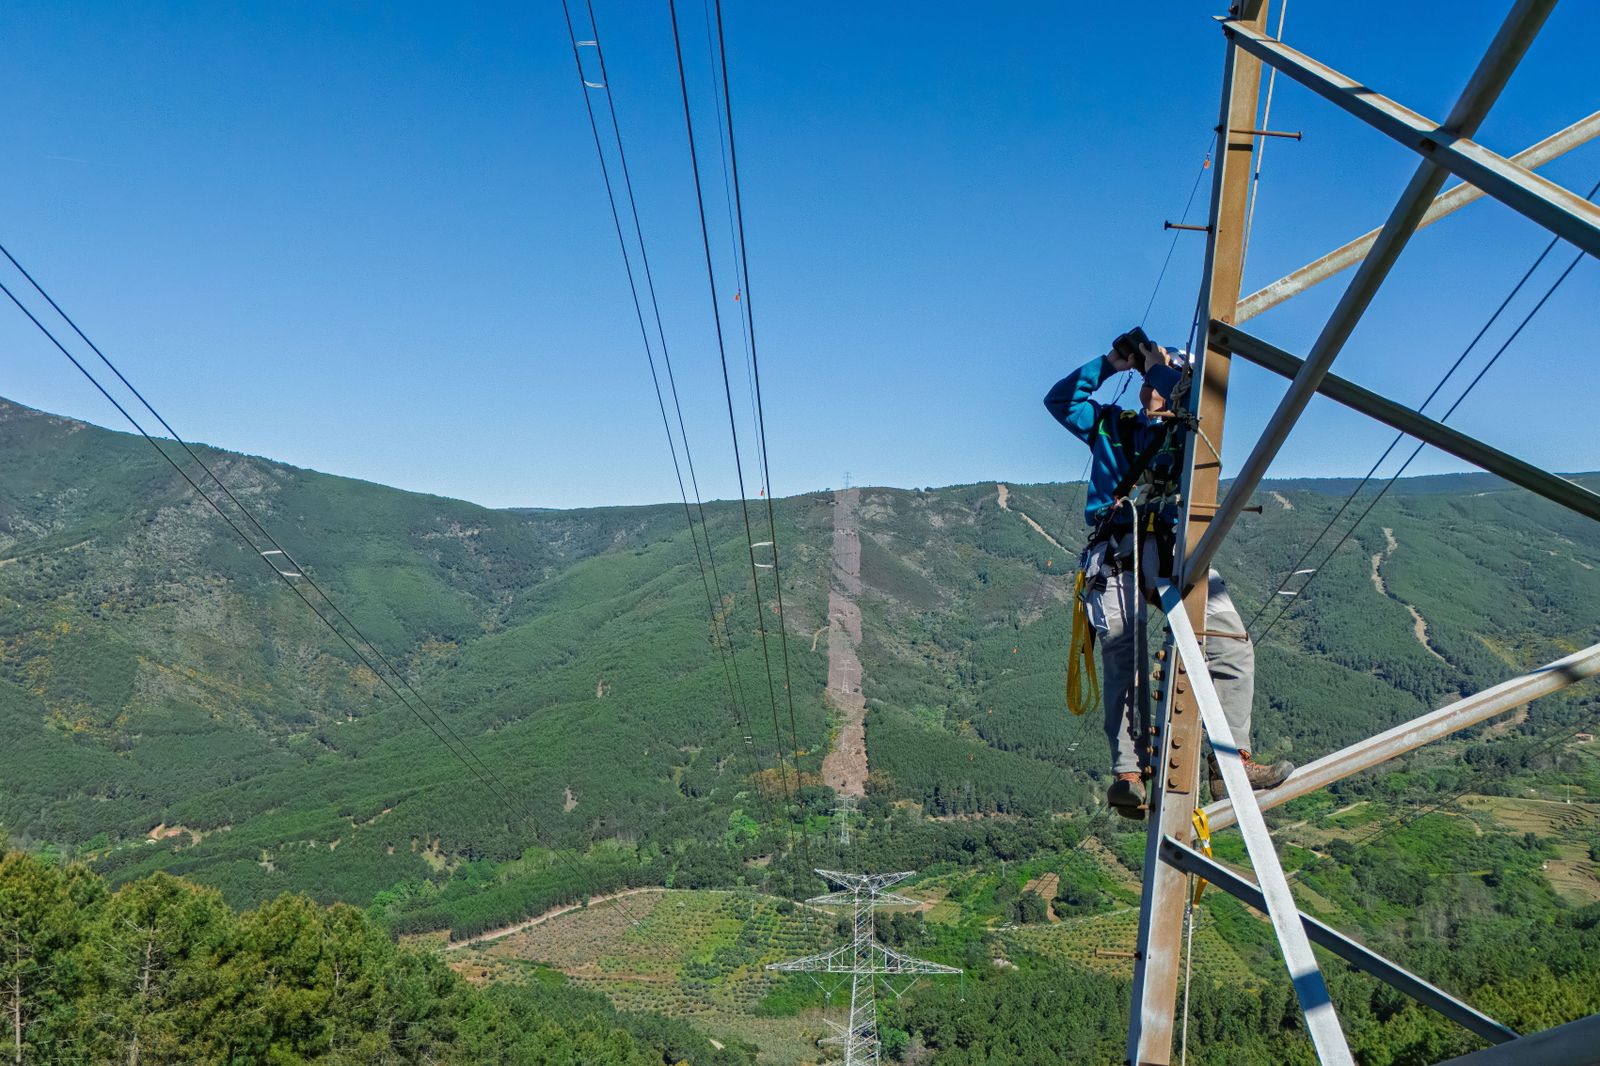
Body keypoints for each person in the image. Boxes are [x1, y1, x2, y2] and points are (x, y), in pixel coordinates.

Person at [1044, 335, 1292, 818]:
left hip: (1171, 550)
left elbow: (1192, 403)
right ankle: (1129, 775)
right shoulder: (1112, 426)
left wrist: (1156, 368)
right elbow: (1060, 400)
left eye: (1169, 379)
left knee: (1232, 643)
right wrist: (1114, 363)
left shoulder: (1188, 436)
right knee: (1123, 654)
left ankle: (1231, 764)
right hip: (1117, 551)